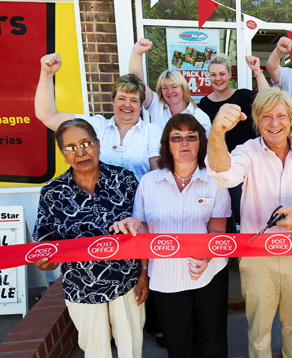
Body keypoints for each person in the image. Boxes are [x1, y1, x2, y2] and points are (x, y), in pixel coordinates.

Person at [206, 87, 292, 357]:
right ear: (257, 121)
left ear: (291, 119)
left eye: (281, 115)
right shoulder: (247, 151)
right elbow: (224, 176)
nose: (274, 123)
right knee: (259, 334)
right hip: (257, 257)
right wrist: (217, 132)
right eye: (266, 116)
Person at [115, 114, 231, 358]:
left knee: (213, 344)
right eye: (176, 138)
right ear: (167, 144)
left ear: (202, 143)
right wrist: (143, 269)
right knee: (177, 345)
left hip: (209, 275)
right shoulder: (149, 182)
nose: (185, 143)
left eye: (191, 137)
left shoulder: (215, 181)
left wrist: (208, 258)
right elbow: (144, 230)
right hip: (166, 278)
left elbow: (218, 230)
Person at [33, 118, 147, 358]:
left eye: (86, 143)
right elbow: (45, 241)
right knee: (96, 351)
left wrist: (145, 271)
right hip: (81, 287)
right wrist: (47, 260)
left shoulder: (124, 180)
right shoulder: (52, 193)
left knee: (132, 349)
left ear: (98, 145)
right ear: (63, 154)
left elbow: (143, 226)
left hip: (126, 282)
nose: (81, 152)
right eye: (71, 147)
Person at [35, 53, 161, 182]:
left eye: (134, 100)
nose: (127, 105)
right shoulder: (96, 125)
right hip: (99, 200)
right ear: (112, 101)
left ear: (140, 105)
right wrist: (47, 75)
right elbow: (47, 115)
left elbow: (156, 177)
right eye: (122, 98)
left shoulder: (151, 131)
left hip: (137, 201)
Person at [198, 54, 265, 231]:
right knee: (222, 215)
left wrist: (257, 71)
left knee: (244, 214)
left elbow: (267, 99)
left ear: (229, 74)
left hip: (244, 168)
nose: (217, 78)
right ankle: (227, 255)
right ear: (208, 76)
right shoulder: (203, 104)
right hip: (219, 167)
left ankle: (246, 253)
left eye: (222, 74)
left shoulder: (243, 96)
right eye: (213, 74)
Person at [129, 38, 211, 135]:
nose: (170, 91)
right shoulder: (156, 105)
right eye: (165, 88)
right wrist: (137, 53)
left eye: (174, 86)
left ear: (183, 89)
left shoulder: (200, 117)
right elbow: (137, 81)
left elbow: (206, 148)